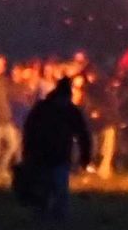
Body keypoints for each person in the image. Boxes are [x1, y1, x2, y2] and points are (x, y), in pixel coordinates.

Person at [21, 74, 96, 221]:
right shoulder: (68, 110)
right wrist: (85, 157)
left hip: (45, 154)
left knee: (48, 187)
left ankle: (45, 215)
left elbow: (29, 129)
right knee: (56, 187)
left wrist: (27, 151)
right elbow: (83, 134)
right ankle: (55, 216)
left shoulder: (43, 107)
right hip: (54, 154)